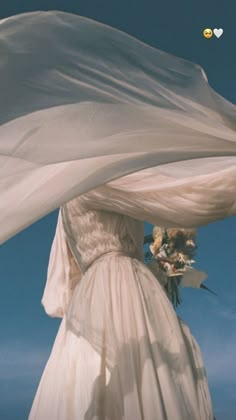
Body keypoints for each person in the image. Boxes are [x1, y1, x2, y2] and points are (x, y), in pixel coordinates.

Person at [0, 10, 236, 420]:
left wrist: (163, 261)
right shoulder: (101, 178)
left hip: (87, 302)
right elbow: (181, 196)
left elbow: (60, 290)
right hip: (124, 286)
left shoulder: (65, 200)